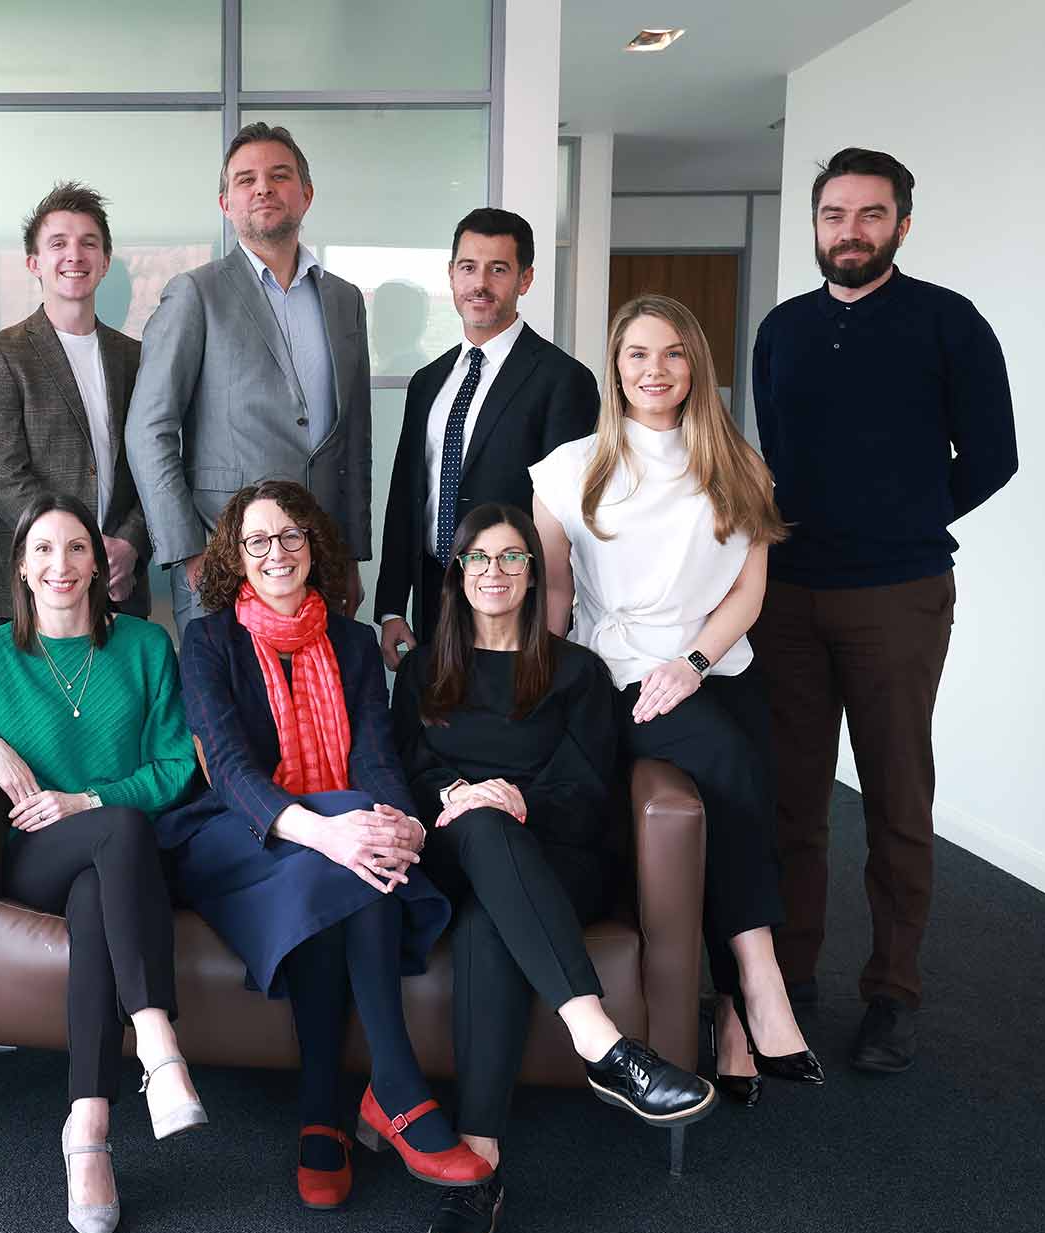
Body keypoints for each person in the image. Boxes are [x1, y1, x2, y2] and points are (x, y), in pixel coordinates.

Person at [752, 148, 1017, 1074]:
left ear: (902, 224)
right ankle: (789, 977)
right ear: (816, 226)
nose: (849, 231)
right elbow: (774, 455)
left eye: (870, 215)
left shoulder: (951, 323)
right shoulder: (783, 329)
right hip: (786, 596)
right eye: (834, 215)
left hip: (898, 593)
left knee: (898, 800)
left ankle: (893, 994)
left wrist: (900, 515)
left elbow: (991, 456)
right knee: (793, 800)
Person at [391, 503, 715, 1233]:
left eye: (512, 558)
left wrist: (519, 797)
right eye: (479, 559)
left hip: (555, 862)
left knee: (487, 921)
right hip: (450, 848)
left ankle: (478, 1165)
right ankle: (603, 1045)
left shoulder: (575, 671)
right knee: (476, 822)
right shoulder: (423, 668)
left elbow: (594, 788)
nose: (494, 573)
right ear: (458, 573)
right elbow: (409, 770)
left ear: (534, 575)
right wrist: (467, 798)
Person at [157, 479, 488, 1212]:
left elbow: (376, 758)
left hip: (334, 838)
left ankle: (322, 1107)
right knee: (343, 852)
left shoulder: (354, 642)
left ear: (315, 545)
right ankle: (396, 1092)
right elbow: (232, 769)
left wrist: (397, 822)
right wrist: (330, 831)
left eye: (291, 536)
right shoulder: (208, 641)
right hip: (233, 833)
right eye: (257, 541)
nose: (276, 553)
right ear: (235, 557)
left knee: (344, 866)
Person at [530, 294, 823, 1112]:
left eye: (671, 354)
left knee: (753, 792)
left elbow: (748, 588)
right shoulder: (567, 468)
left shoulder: (739, 466)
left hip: (717, 664)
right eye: (635, 355)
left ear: (696, 365)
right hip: (617, 673)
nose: (653, 371)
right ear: (614, 368)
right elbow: (553, 599)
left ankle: (731, 1022)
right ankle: (760, 983)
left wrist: (695, 661)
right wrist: (547, 700)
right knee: (726, 761)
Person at [0, 494, 203, 1233]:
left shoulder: (147, 648)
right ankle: (156, 1044)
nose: (60, 566)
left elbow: (176, 768)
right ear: (21, 569)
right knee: (111, 830)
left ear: (101, 564)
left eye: (76, 550)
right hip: (38, 862)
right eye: (43, 552)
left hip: (122, 863)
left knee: (108, 866)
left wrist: (83, 799)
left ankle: (87, 1130)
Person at [126, 122, 373, 632]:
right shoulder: (195, 294)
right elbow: (148, 430)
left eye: (279, 175)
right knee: (228, 710)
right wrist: (187, 552)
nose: (263, 187)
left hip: (319, 556)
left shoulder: (344, 300)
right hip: (225, 555)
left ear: (305, 195)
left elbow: (354, 438)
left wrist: (350, 554)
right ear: (226, 204)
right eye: (245, 180)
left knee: (320, 707)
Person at [376, 208, 599, 670]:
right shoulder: (427, 382)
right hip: (434, 596)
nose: (480, 283)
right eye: (468, 267)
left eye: (498, 269)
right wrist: (393, 606)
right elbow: (406, 498)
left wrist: (549, 624)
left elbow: (568, 516)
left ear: (525, 279)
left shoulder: (563, 380)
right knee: (431, 729)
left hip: (513, 605)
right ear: (452, 275)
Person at [0, 183, 151, 622]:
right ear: (35, 262)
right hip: (34, 581)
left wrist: (129, 544)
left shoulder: (137, 357)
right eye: (58, 244)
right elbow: (3, 476)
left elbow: (157, 464)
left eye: (88, 243)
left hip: (119, 579)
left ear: (105, 261)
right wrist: (74, 553)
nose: (75, 255)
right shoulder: (1, 353)